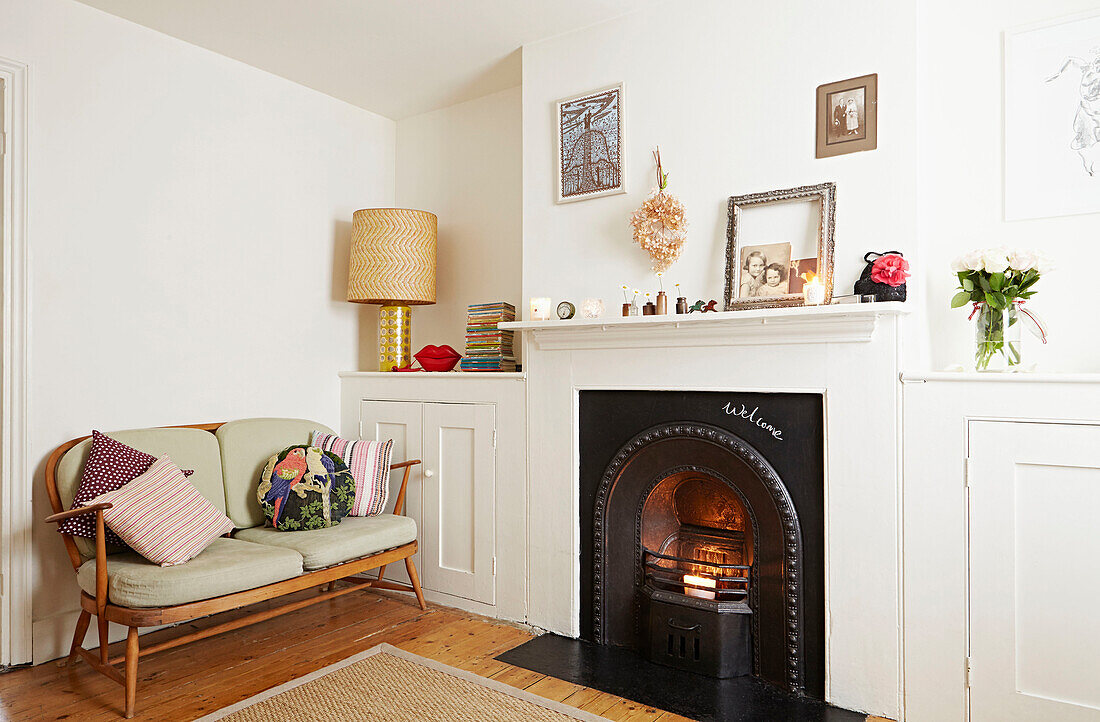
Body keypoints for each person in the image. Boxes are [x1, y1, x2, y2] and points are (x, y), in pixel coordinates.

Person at [1047, 50, 1100, 176]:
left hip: (1094, 112)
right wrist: (1058, 73)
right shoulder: (1088, 68)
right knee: (1085, 141)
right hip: (1086, 111)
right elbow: (1071, 59)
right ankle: (1089, 167)